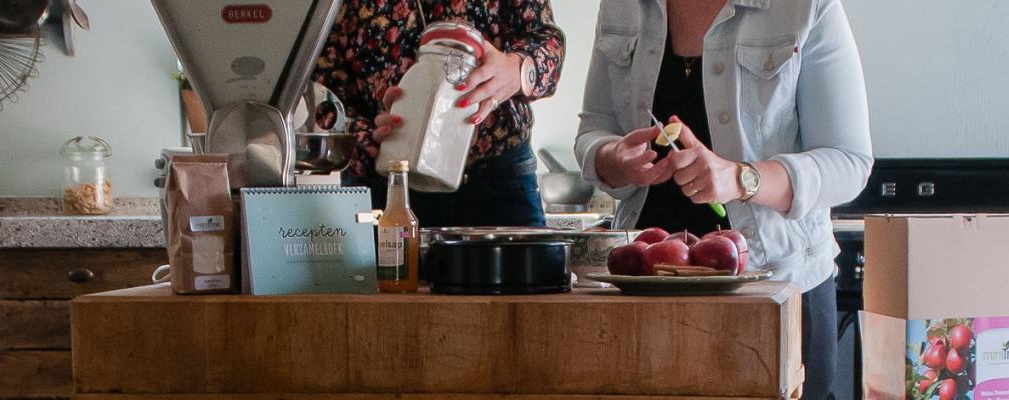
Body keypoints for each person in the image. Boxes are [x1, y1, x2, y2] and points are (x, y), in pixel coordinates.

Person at [575, 0, 873, 399]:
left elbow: (848, 162)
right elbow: (594, 128)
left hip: (778, 289)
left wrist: (740, 178)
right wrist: (611, 159)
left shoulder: (806, 6)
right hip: (644, 292)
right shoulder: (622, 5)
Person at [314, 0, 564, 227]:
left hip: (500, 181)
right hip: (390, 189)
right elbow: (321, 97)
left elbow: (548, 39)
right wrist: (365, 137)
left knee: (536, 278)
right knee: (389, 279)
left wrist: (517, 68)